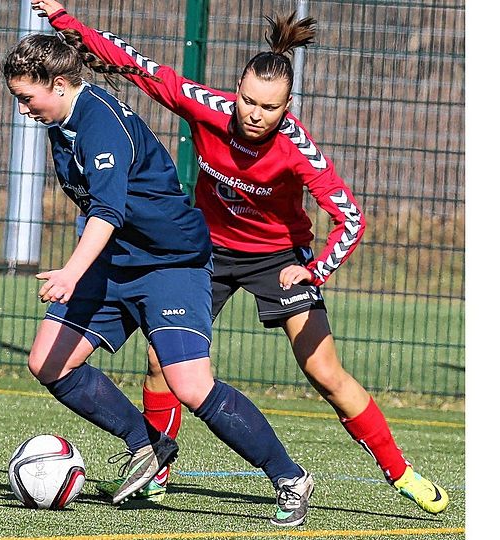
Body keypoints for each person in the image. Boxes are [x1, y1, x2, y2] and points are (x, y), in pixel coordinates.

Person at [31, 0, 450, 515]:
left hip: (277, 258)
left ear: (287, 106)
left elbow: (351, 219)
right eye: (247, 100)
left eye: (268, 107)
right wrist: (65, 21)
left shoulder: (298, 149)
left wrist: (315, 269)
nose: (254, 114)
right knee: (164, 363)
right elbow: (140, 67)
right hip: (206, 249)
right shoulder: (210, 107)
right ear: (238, 92)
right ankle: (155, 471)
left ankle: (399, 471)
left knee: (323, 371)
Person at [1, 30, 316, 527]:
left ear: (59, 84)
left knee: (190, 385)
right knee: (48, 363)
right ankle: (148, 444)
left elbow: (106, 210)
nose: (22, 108)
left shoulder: (100, 124)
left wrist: (70, 272)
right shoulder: (60, 122)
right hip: (116, 262)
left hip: (170, 263)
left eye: (26, 97)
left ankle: (289, 477)